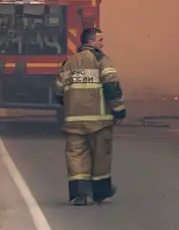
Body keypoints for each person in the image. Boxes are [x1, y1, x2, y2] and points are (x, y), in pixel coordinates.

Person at [53, 27, 126, 206]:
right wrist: (119, 111)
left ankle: (80, 194)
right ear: (91, 41)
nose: (102, 44)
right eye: (100, 40)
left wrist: (71, 106)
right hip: (99, 121)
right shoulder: (102, 61)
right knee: (101, 156)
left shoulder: (67, 63)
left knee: (76, 156)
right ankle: (100, 192)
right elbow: (111, 88)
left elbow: (58, 91)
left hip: (73, 121)